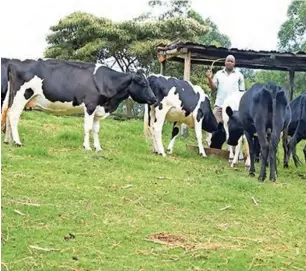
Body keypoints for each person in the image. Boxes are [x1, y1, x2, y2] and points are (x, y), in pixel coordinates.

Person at [206, 55, 245, 123]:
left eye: (232, 61)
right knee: (215, 126)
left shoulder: (239, 75)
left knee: (233, 128)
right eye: (228, 61)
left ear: (234, 63)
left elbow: (242, 92)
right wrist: (209, 78)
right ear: (225, 62)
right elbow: (213, 88)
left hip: (234, 108)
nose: (230, 62)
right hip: (219, 105)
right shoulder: (218, 74)